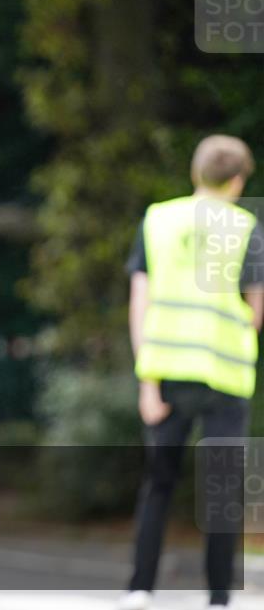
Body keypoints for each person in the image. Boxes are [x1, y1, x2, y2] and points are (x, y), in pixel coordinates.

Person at [120, 135, 262, 610]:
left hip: (166, 372)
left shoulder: (158, 219)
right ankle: (219, 596)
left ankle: (141, 586)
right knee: (222, 488)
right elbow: (255, 310)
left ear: (195, 172)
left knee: (158, 482)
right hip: (226, 375)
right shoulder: (247, 228)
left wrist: (146, 380)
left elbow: (139, 303)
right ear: (238, 180)